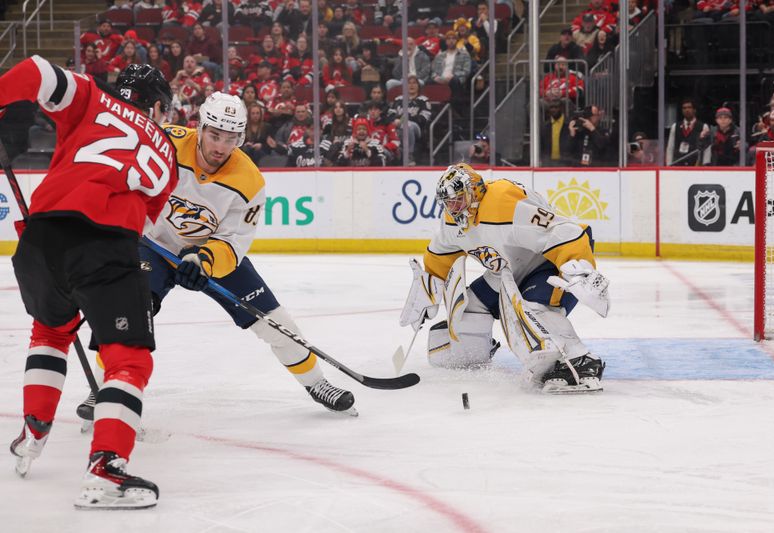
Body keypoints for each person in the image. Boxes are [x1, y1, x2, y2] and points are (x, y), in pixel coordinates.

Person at [77, 92, 357, 422]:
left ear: (242, 137)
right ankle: (102, 388)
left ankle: (317, 384)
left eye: (231, 138)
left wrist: (204, 260)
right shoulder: (164, 142)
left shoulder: (249, 181)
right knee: (130, 309)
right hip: (152, 244)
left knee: (275, 322)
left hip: (207, 255)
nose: (221, 147)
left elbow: (233, 240)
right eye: (214, 135)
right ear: (199, 127)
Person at [1, 59, 176, 508]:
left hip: (39, 239)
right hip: (105, 243)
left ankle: (32, 432)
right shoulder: (166, 151)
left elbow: (36, 71)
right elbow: (143, 221)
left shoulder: (92, 95)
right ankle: (106, 471)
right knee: (128, 360)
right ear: (157, 106)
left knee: (50, 332)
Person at [399, 164, 609, 393]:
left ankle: (580, 362)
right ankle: (472, 354)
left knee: (532, 309)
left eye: (458, 199)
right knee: (470, 307)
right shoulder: (452, 221)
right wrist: (429, 285)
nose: (453, 207)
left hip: (547, 264)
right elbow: (440, 254)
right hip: (507, 271)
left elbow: (564, 232)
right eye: (448, 202)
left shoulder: (502, 202)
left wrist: (578, 266)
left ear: (474, 192)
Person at [666, 98, 710, 166]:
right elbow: (670, 147)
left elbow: (707, 149)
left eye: (689, 107)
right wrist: (669, 165)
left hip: (695, 166)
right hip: (678, 165)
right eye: (684, 108)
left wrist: (705, 165)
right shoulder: (675, 126)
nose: (687, 110)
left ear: (694, 110)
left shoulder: (703, 127)